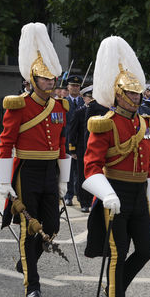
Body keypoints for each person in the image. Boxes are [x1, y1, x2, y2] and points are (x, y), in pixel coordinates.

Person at [0, 23, 71, 297]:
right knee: (31, 228)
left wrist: (63, 179)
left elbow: (63, 145)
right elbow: (5, 144)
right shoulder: (18, 105)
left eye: (52, 78)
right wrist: (4, 181)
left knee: (52, 226)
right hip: (27, 170)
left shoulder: (60, 106)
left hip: (50, 171)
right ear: (33, 79)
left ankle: (25, 264)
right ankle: (33, 286)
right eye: (45, 78)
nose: (51, 82)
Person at [82, 36, 150, 297]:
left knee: (147, 250)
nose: (137, 98)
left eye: (138, 93)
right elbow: (90, 168)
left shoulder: (145, 123)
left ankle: (116, 286)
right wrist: (106, 193)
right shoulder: (104, 123)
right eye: (131, 93)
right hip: (115, 192)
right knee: (118, 251)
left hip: (138, 196)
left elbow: (149, 164)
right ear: (119, 95)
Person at [68, 85, 95, 212]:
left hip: (94, 148)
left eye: (92, 98)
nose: (91, 100)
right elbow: (72, 132)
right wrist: (72, 149)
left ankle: (92, 200)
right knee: (82, 176)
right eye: (89, 98)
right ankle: (84, 201)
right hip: (81, 148)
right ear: (83, 98)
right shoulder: (79, 112)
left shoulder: (99, 111)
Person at [64, 74, 83, 206]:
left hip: (81, 141)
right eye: (72, 86)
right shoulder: (63, 103)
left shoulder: (84, 102)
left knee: (81, 171)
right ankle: (68, 195)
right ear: (68, 87)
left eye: (77, 86)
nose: (75, 88)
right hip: (67, 140)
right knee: (69, 171)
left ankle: (81, 195)